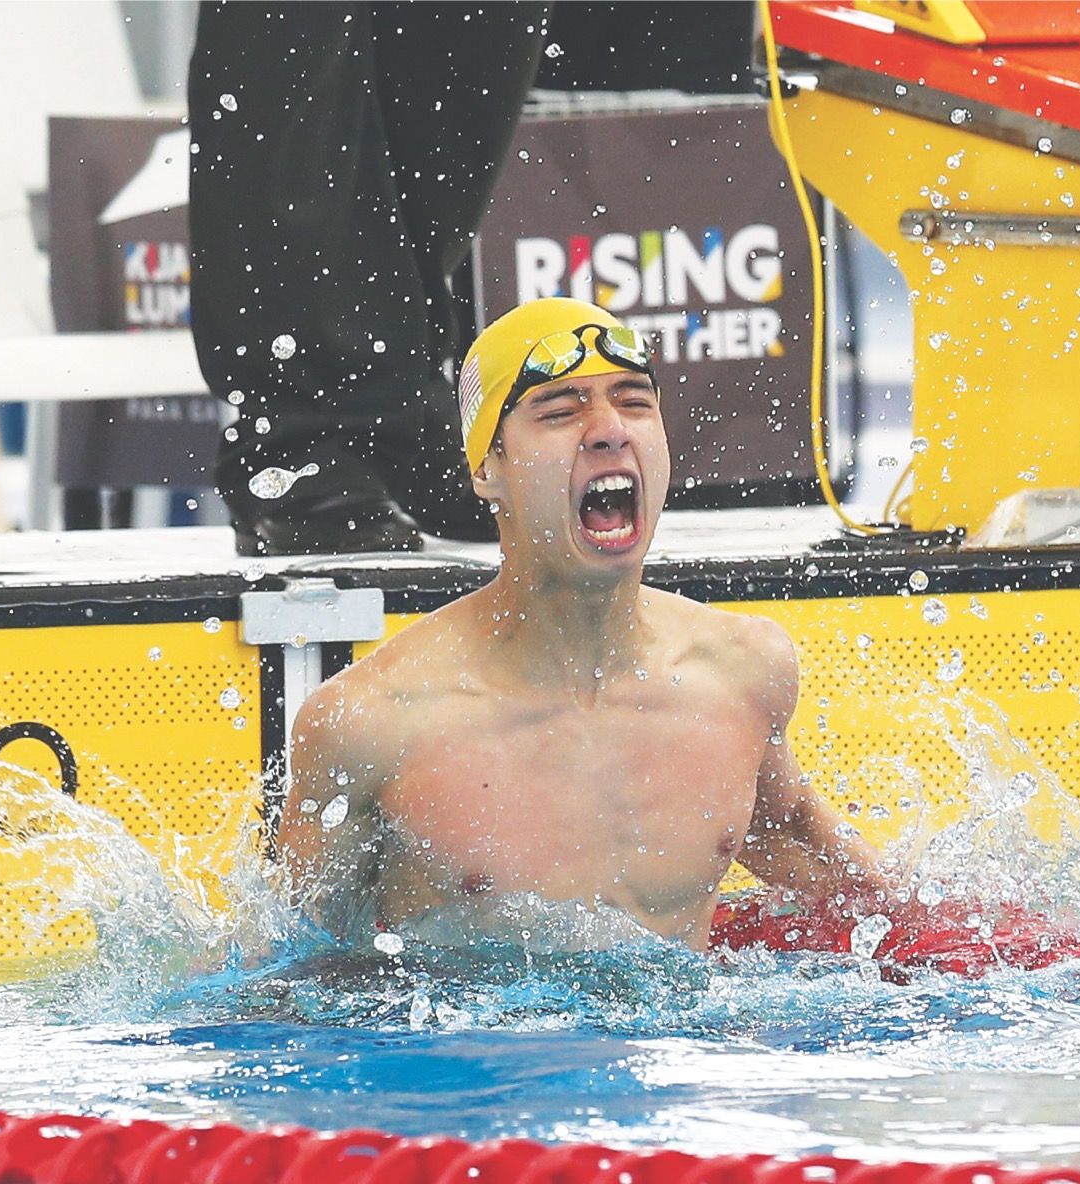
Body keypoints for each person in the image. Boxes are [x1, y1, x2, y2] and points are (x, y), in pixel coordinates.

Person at [278, 297, 895, 950]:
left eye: (634, 402)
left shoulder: (740, 672)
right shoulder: (375, 722)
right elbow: (291, 967)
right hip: (470, 1051)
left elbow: (805, 846)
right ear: (488, 468)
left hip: (685, 1049)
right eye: (561, 410)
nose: (608, 430)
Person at [188, 3, 549, 555]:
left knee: (475, 35)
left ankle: (398, 401)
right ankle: (300, 424)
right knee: (288, 40)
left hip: (415, 367)